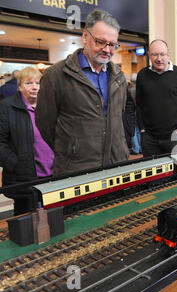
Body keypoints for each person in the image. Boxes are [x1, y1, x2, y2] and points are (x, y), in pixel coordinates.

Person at [36, 10, 129, 176]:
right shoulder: (56, 75)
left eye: (113, 44)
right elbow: (46, 125)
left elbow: (119, 117)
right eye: (101, 42)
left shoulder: (119, 77)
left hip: (116, 167)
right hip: (75, 171)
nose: (107, 50)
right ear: (85, 37)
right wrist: (72, 150)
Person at [0, 67, 54, 215]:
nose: (35, 87)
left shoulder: (49, 105)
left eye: (38, 82)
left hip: (53, 174)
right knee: (26, 220)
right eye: (29, 83)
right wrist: (15, 163)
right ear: (19, 86)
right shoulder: (7, 106)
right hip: (24, 176)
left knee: (54, 217)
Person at [135, 39, 177, 158]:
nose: (159, 59)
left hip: (174, 138)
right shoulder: (142, 75)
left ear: (168, 55)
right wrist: (142, 129)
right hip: (149, 139)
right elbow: (139, 104)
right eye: (154, 54)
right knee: (152, 173)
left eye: (162, 54)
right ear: (149, 55)